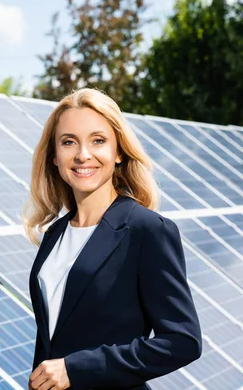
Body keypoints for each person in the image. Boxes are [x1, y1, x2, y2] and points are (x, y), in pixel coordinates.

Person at [23, 88, 202, 390]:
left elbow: (183, 341)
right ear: (54, 156)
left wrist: (78, 369)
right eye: (69, 142)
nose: (82, 154)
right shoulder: (55, 234)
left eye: (98, 140)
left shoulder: (147, 230)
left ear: (118, 151)